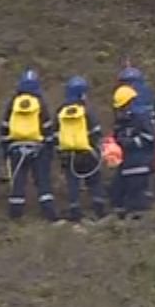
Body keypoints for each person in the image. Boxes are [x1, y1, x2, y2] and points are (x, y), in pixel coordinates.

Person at [2, 68, 59, 221]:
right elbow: (46, 126)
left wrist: (5, 147)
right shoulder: (40, 102)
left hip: (16, 148)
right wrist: (49, 146)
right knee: (42, 181)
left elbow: (5, 125)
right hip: (37, 148)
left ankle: (15, 215)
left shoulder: (13, 102)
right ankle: (49, 214)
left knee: (18, 182)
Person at [55, 76, 108, 221]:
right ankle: (99, 209)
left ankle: (75, 211)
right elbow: (96, 132)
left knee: (73, 183)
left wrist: (59, 153)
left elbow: (55, 134)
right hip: (87, 153)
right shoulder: (86, 110)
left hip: (68, 155)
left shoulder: (60, 111)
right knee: (94, 180)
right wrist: (97, 149)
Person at [111, 82, 155, 219]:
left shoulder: (142, 118)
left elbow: (151, 137)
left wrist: (132, 142)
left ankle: (138, 222)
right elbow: (117, 135)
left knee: (138, 196)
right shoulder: (121, 121)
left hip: (141, 162)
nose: (121, 111)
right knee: (118, 191)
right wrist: (122, 140)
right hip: (128, 163)